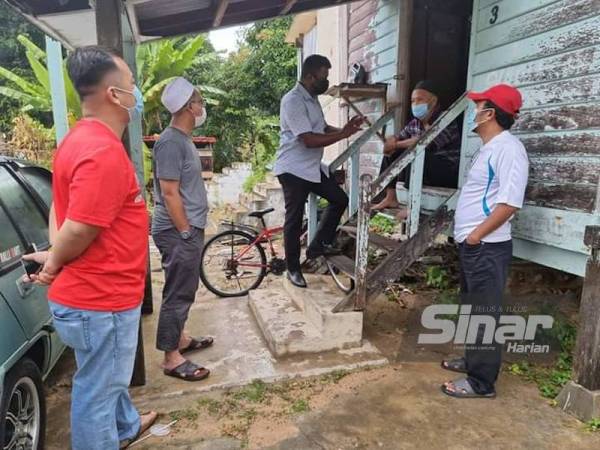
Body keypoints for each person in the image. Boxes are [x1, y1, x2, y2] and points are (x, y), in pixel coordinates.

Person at [23, 46, 157, 449]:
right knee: (98, 390)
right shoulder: (101, 152)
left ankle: (126, 426)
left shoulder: (76, 140)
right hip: (102, 300)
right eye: (132, 85)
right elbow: (79, 227)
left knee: (103, 376)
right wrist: (55, 262)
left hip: (94, 297)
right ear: (114, 95)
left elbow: (59, 209)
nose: (137, 93)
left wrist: (54, 252)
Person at [440, 84, 529, 399]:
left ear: (490, 113)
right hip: (473, 245)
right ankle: (471, 360)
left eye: (478, 106)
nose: (474, 112)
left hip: (487, 247)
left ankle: (481, 383)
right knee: (471, 308)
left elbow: (510, 203)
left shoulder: (509, 149)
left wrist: (477, 236)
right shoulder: (490, 148)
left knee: (484, 314)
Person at [273, 54, 366, 288]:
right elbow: (308, 139)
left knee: (339, 199)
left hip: (312, 168)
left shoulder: (312, 98)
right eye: (323, 77)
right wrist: (342, 135)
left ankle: (318, 245)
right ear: (309, 75)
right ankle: (293, 269)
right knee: (293, 220)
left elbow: (322, 128)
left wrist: (346, 129)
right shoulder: (292, 101)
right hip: (293, 169)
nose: (326, 81)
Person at [151, 77, 213, 382]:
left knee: (185, 288)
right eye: (200, 102)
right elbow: (170, 192)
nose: (202, 108)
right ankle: (171, 357)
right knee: (178, 292)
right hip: (177, 230)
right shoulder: (170, 142)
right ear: (190, 106)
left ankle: (180, 339)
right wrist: (186, 230)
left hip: (185, 227)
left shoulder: (182, 139)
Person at [372, 80, 461, 215]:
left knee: (414, 154)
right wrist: (392, 142)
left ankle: (412, 205)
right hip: (426, 169)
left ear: (433, 101)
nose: (415, 104)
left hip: (446, 170)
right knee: (392, 153)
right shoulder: (415, 123)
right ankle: (391, 197)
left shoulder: (446, 118)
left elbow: (425, 141)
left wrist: (396, 144)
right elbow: (395, 142)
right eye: (413, 101)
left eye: (420, 100)